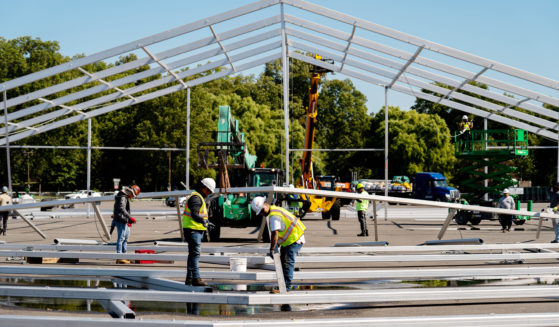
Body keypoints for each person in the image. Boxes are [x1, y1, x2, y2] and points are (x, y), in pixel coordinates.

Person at [251, 196, 306, 293]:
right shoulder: (274, 211)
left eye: (262, 211)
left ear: (265, 204)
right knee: (283, 261)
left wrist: (272, 249)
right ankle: (283, 286)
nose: (263, 213)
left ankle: (286, 288)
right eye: (261, 213)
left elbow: (274, 234)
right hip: (291, 239)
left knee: (287, 262)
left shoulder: (274, 216)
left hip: (295, 238)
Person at [183, 177, 216, 286]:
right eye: (209, 191)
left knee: (192, 255)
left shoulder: (198, 196)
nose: (209, 193)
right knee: (195, 255)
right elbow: (194, 214)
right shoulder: (196, 198)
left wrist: (205, 221)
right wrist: (203, 221)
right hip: (193, 230)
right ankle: (196, 278)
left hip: (194, 229)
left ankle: (189, 278)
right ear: (204, 188)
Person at [112, 185, 140, 264]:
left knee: (126, 238)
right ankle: (119, 256)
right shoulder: (123, 197)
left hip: (123, 219)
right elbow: (121, 208)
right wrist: (130, 217)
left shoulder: (124, 196)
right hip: (120, 219)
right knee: (121, 238)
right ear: (130, 192)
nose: (132, 197)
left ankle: (123, 255)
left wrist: (128, 220)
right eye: (132, 195)